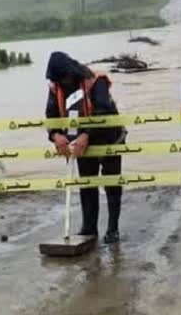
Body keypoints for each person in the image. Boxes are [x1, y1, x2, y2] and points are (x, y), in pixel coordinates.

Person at [45, 52, 126, 244]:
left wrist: (86, 134)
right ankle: (89, 228)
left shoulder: (96, 81)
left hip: (109, 138)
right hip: (80, 145)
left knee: (112, 184)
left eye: (63, 78)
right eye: (58, 80)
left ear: (70, 72)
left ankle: (113, 229)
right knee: (87, 186)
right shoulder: (55, 87)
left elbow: (103, 111)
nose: (62, 83)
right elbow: (51, 116)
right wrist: (55, 135)